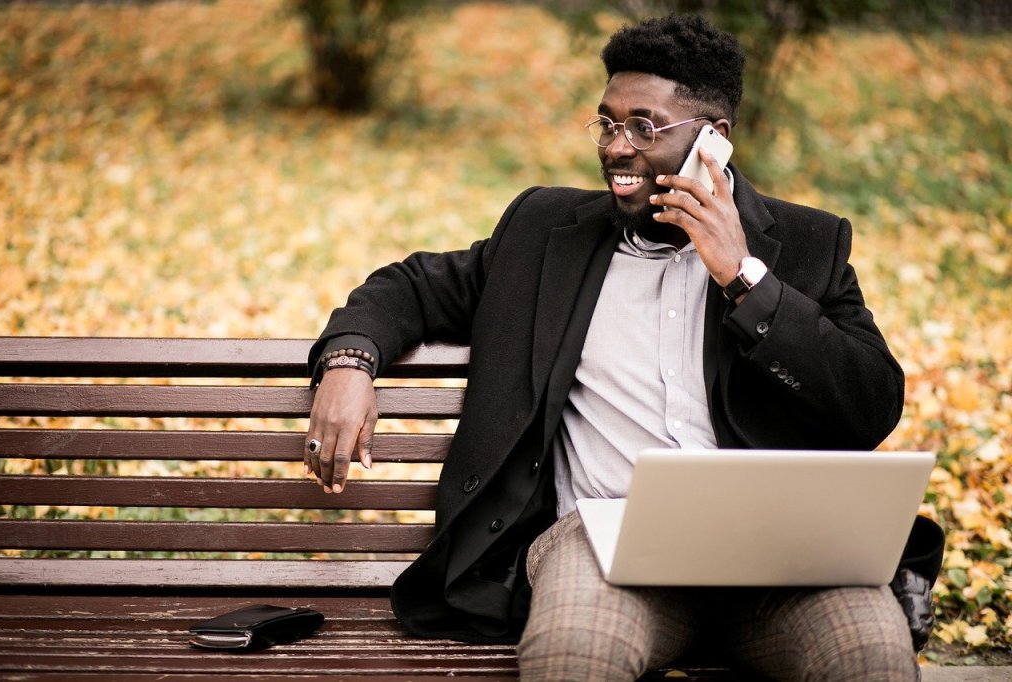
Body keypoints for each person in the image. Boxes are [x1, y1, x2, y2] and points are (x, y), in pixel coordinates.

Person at [305, 14, 940, 681]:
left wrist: (745, 280)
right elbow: (411, 287)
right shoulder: (544, 233)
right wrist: (349, 362)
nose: (616, 147)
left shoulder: (808, 245)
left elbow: (870, 405)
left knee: (870, 653)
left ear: (714, 139)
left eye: (644, 126)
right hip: (604, 547)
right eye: (608, 123)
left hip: (784, 557)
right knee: (573, 655)